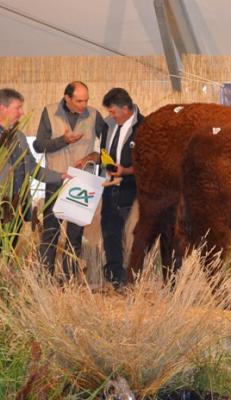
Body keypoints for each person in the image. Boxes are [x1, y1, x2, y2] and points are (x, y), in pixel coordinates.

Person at [33, 81, 106, 277]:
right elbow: (39, 146)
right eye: (79, 101)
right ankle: (44, 280)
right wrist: (63, 141)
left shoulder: (94, 115)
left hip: (82, 184)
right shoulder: (49, 112)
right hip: (55, 181)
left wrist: (93, 157)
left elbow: (108, 148)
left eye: (86, 100)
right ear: (67, 98)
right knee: (51, 233)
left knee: (75, 235)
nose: (84, 105)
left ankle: (70, 280)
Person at [76, 88, 144, 287]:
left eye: (113, 111)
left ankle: (134, 279)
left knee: (133, 237)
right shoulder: (108, 126)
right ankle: (115, 278)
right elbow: (103, 154)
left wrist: (126, 171)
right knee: (110, 233)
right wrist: (89, 158)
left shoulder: (145, 127)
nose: (111, 115)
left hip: (132, 191)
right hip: (109, 189)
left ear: (125, 108)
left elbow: (149, 163)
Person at [0, 88, 69, 252]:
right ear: (2, 108)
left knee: (9, 252)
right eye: (18, 108)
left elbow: (33, 168)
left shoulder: (20, 137)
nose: (22, 113)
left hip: (16, 210)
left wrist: (61, 176)